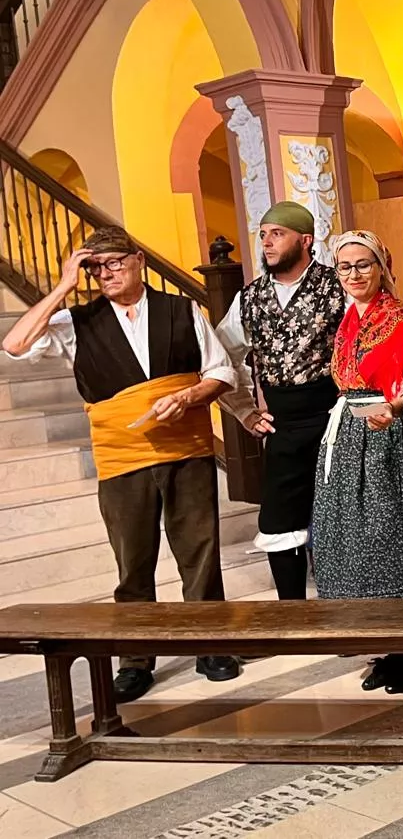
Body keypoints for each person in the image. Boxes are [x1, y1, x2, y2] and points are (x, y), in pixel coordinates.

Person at [1, 227, 242, 701]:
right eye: (95, 267)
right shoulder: (77, 321)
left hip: (185, 451)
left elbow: (222, 371)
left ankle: (211, 645)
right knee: (133, 563)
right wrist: (63, 285)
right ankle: (135, 658)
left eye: (114, 263)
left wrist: (191, 394)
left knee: (199, 553)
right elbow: (15, 344)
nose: (105, 274)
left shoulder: (181, 310)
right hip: (121, 457)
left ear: (138, 261)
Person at [310, 231, 403, 694]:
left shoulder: (400, 319)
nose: (355, 274)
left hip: (389, 436)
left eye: (363, 265)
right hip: (349, 434)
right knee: (354, 539)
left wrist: (391, 413)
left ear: (381, 267)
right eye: (345, 267)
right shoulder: (349, 321)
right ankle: (382, 646)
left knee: (392, 534)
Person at [217, 201, 346, 600]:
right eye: (263, 235)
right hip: (282, 426)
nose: (267, 243)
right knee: (279, 521)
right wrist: (243, 410)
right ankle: (295, 615)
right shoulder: (250, 298)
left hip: (335, 419)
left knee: (337, 519)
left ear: (305, 240)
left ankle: (342, 607)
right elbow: (219, 357)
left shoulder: (338, 285)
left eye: (277, 234)